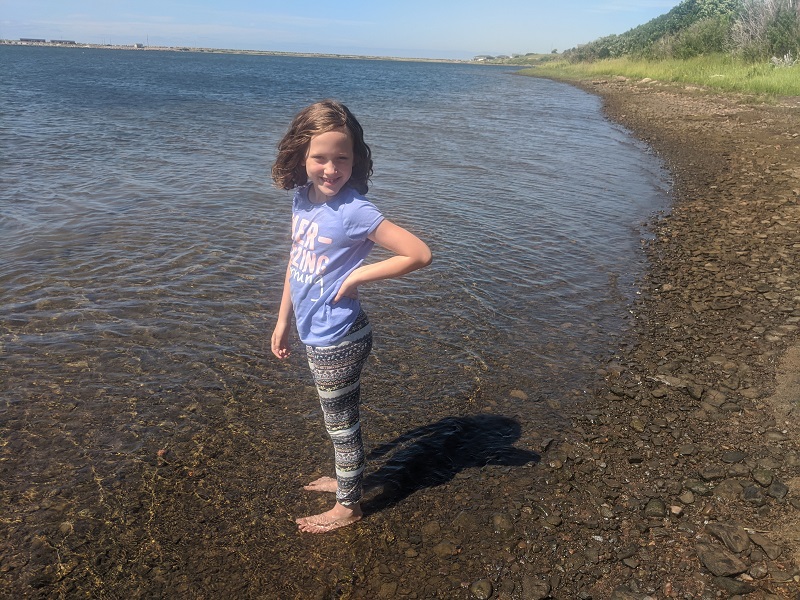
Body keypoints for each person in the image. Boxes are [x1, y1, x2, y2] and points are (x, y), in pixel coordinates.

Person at [270, 99, 432, 533]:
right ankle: (348, 479)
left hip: (340, 337)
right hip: (313, 332)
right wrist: (283, 320)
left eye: (341, 158)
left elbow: (419, 253)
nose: (330, 168)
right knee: (338, 419)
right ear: (300, 155)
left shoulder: (355, 210)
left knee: (342, 425)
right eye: (319, 157)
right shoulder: (303, 200)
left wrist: (360, 273)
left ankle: (349, 506)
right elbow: (296, 262)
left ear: (355, 159)